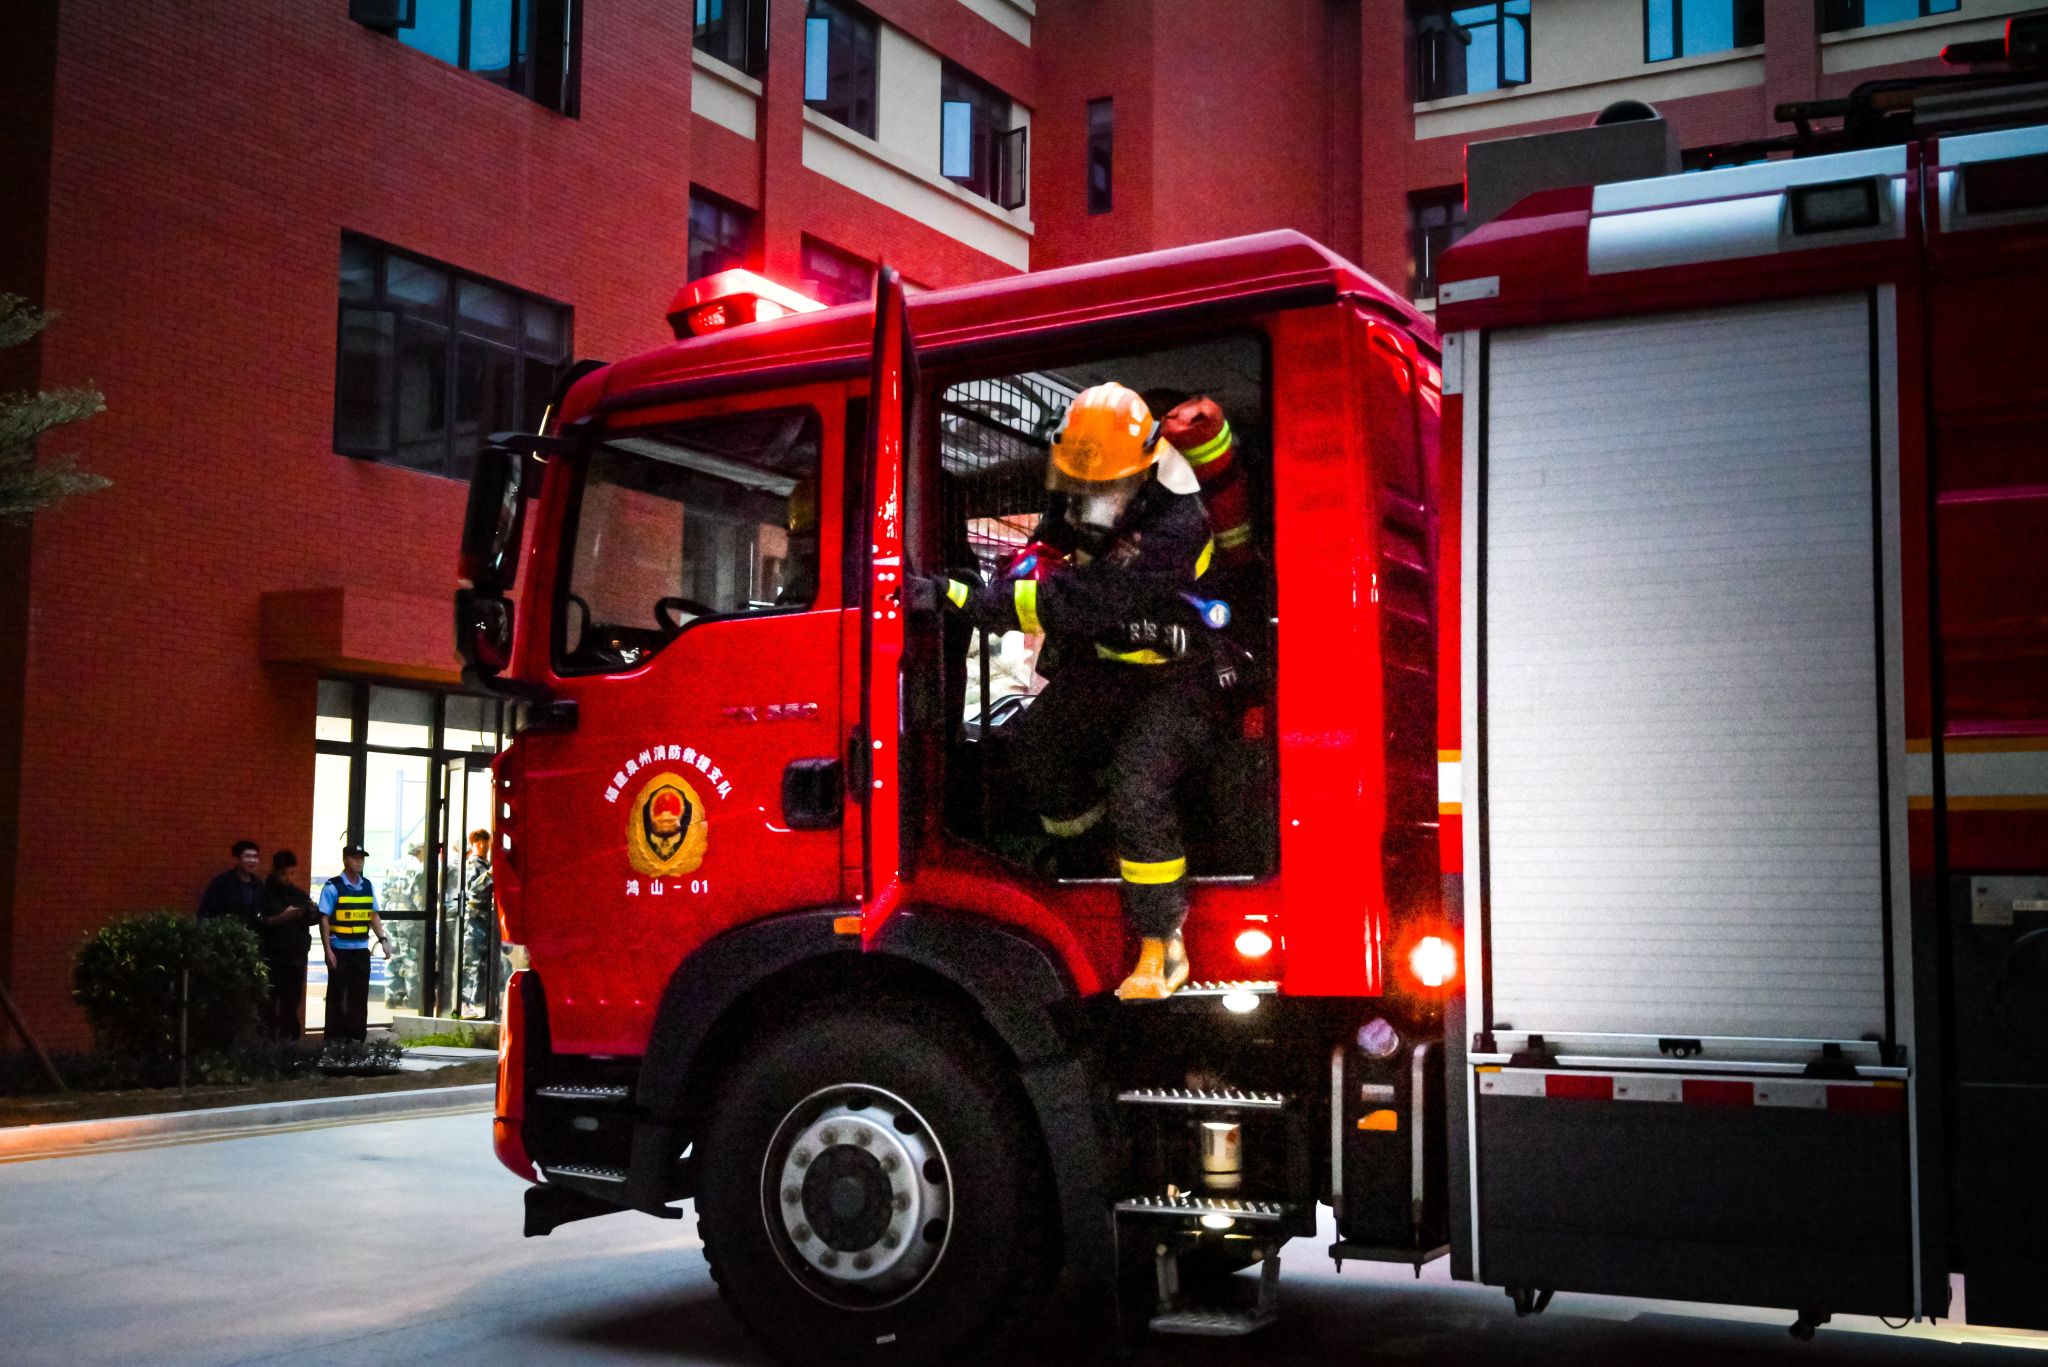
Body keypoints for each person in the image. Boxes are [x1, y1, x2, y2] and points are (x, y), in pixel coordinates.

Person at [915, 382, 1225, 1000]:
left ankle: (1162, 943)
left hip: (1181, 675)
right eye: (1080, 481)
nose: (1091, 497)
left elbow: (1079, 604)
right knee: (1039, 746)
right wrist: (1022, 564)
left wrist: (965, 598)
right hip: (1111, 665)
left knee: (1137, 786)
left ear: (1143, 467)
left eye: (1105, 485)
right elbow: (1051, 546)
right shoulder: (1086, 475)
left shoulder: (1176, 523)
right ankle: (1086, 867)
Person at [319, 843, 392, 1044]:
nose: (359, 861)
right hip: (339, 950)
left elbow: (373, 915)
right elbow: (324, 919)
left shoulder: (367, 885)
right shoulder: (333, 886)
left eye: (362, 858)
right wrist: (327, 950)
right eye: (355, 857)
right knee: (337, 997)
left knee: (359, 997)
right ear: (345, 860)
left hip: (360, 951)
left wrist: (383, 939)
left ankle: (356, 1041)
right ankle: (334, 1042)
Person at [259, 851, 318, 1042]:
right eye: (285, 874)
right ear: (275, 871)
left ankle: (290, 1041)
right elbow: (259, 923)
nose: (289, 878)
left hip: (295, 958)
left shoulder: (298, 894)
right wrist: (282, 918)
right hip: (272, 958)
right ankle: (268, 1041)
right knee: (269, 1003)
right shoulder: (264, 894)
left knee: (291, 1003)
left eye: (292, 874)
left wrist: (312, 912)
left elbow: (311, 920)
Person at [458, 828, 495, 1016]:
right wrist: (489, 875)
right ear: (472, 845)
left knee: (483, 965)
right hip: (474, 919)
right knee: (470, 963)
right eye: (478, 842)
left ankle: (478, 1002)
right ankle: (462, 1003)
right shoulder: (473, 864)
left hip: (486, 918)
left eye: (485, 842)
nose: (483, 846)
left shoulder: (487, 863)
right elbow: (472, 887)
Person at [197, 839, 266, 936]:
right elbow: (207, 912)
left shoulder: (259, 885)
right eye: (247, 856)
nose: (252, 860)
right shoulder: (222, 883)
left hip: (252, 938)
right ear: (237, 860)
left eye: (255, 857)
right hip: (227, 936)